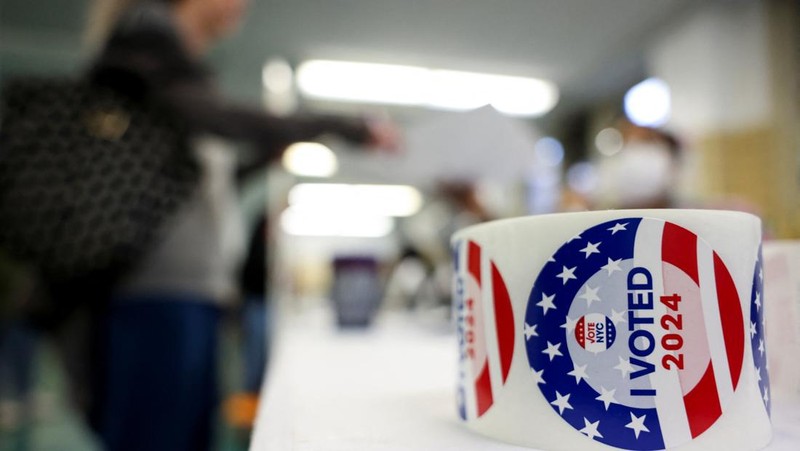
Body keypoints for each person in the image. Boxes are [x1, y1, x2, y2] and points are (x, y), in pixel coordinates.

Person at [81, 1, 398, 450]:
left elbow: (199, 183)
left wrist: (259, 162)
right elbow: (222, 120)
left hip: (188, 291)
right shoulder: (145, 44)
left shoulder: (174, 63)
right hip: (155, 291)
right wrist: (340, 125)